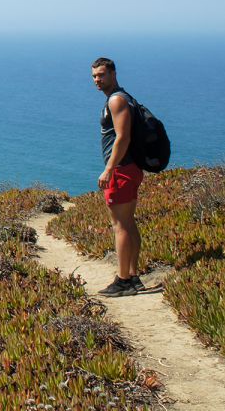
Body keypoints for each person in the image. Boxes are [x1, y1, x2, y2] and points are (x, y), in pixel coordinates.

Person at [91, 57, 144, 297]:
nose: (97, 80)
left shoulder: (117, 100)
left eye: (101, 75)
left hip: (121, 169)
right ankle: (132, 275)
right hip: (129, 168)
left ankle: (123, 280)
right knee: (128, 222)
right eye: (94, 76)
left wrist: (109, 169)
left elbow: (123, 137)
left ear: (113, 74)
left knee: (120, 225)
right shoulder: (124, 98)